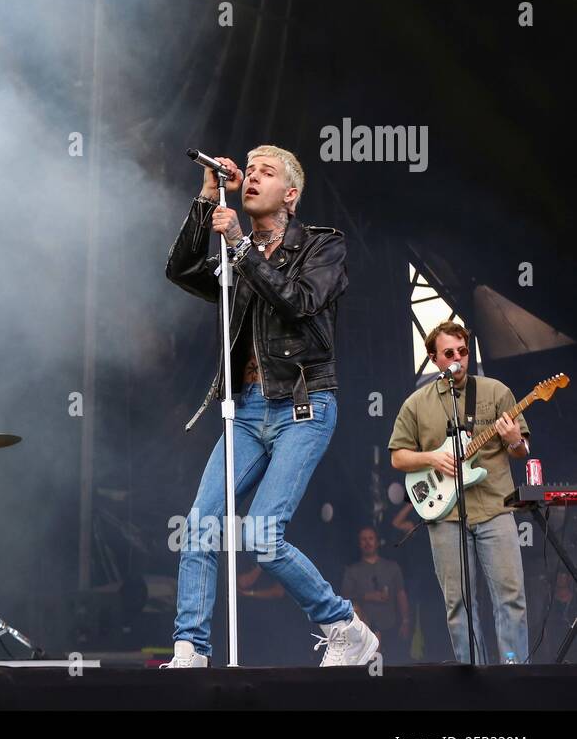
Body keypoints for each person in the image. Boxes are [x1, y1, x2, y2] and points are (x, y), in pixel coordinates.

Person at [163, 145, 376, 667]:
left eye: (266, 173)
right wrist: (209, 194)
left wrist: (241, 245)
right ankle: (190, 647)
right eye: (248, 172)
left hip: (304, 405)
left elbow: (299, 301)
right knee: (198, 525)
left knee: (262, 534)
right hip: (247, 410)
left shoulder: (323, 246)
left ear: (291, 195)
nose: (252, 178)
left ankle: (342, 625)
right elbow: (181, 268)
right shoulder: (237, 260)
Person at [389, 320, 530, 663]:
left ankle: (514, 674)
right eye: (449, 353)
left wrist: (514, 441)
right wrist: (432, 458)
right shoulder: (416, 404)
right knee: (459, 604)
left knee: (510, 597)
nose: (458, 358)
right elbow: (398, 457)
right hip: (445, 515)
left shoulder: (497, 392)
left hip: (496, 506)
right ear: (435, 359)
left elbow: (521, 450)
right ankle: (475, 680)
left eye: (463, 351)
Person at [342, 526, 411, 661]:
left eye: (371, 538)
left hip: (391, 626)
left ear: (377, 542)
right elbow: (344, 598)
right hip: (364, 632)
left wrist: (406, 620)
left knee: (394, 666)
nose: (367, 542)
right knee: (371, 672)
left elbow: (401, 594)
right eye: (363, 539)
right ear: (359, 543)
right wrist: (368, 596)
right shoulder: (352, 571)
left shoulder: (392, 567)